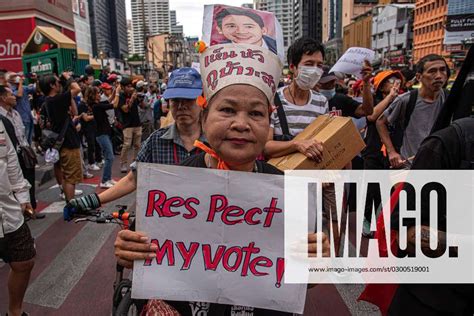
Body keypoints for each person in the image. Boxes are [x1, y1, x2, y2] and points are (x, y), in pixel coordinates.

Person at [65, 44, 330, 315]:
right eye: (227, 110)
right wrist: (133, 253)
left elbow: (303, 283)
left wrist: (315, 264)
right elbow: (149, 258)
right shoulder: (171, 190)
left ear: (268, 123)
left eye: (255, 113)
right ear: (206, 117)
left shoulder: (287, 195)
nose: (241, 123)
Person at [377, 54, 449, 169]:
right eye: (432, 71)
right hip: (409, 166)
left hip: (438, 166)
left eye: (443, 70)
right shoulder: (406, 100)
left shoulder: (448, 99)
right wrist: (392, 152)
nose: (439, 76)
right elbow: (380, 122)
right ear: (419, 77)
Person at [265, 37, 327, 161]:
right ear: (293, 67)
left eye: (319, 65)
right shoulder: (273, 99)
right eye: (309, 64)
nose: (315, 70)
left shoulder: (321, 101)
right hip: (281, 175)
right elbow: (266, 147)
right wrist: (297, 144)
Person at [0, 117, 36, 316]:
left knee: (24, 260)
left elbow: (10, 159)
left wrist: (22, 194)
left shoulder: (1, 122)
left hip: (8, 209)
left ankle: (14, 312)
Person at [0, 86, 45, 219]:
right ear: (3, 98)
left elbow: (23, 134)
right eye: (11, 95)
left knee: (28, 179)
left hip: (23, 152)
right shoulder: (2, 118)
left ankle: (31, 208)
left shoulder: (16, 113)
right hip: (11, 155)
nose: (15, 97)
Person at [39, 72, 83, 202]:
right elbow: (77, 89)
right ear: (52, 85)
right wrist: (68, 77)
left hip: (61, 142)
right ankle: (71, 205)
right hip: (68, 143)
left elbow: (74, 112)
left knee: (66, 176)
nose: (60, 83)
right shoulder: (57, 99)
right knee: (71, 177)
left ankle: (69, 202)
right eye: (58, 82)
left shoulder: (49, 101)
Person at [84, 86, 118, 188]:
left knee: (109, 157)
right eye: (98, 93)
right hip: (101, 135)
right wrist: (118, 93)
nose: (100, 94)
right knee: (110, 157)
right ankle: (104, 181)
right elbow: (114, 104)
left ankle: (108, 178)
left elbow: (109, 100)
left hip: (105, 133)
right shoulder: (96, 106)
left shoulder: (98, 105)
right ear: (93, 95)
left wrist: (115, 90)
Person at [116, 77, 145, 173]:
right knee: (127, 144)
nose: (131, 88)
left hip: (137, 123)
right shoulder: (121, 97)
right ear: (123, 87)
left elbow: (142, 106)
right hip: (127, 124)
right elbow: (125, 109)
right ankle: (123, 163)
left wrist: (141, 99)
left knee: (137, 145)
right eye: (128, 86)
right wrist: (132, 99)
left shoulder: (134, 94)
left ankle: (135, 162)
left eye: (131, 86)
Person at [8, 73, 35, 144]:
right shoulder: (10, 90)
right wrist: (20, 83)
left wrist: (36, 79)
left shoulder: (24, 87)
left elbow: (35, 89)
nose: (17, 77)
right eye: (15, 76)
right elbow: (19, 94)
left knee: (29, 141)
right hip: (21, 119)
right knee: (24, 142)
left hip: (29, 117)